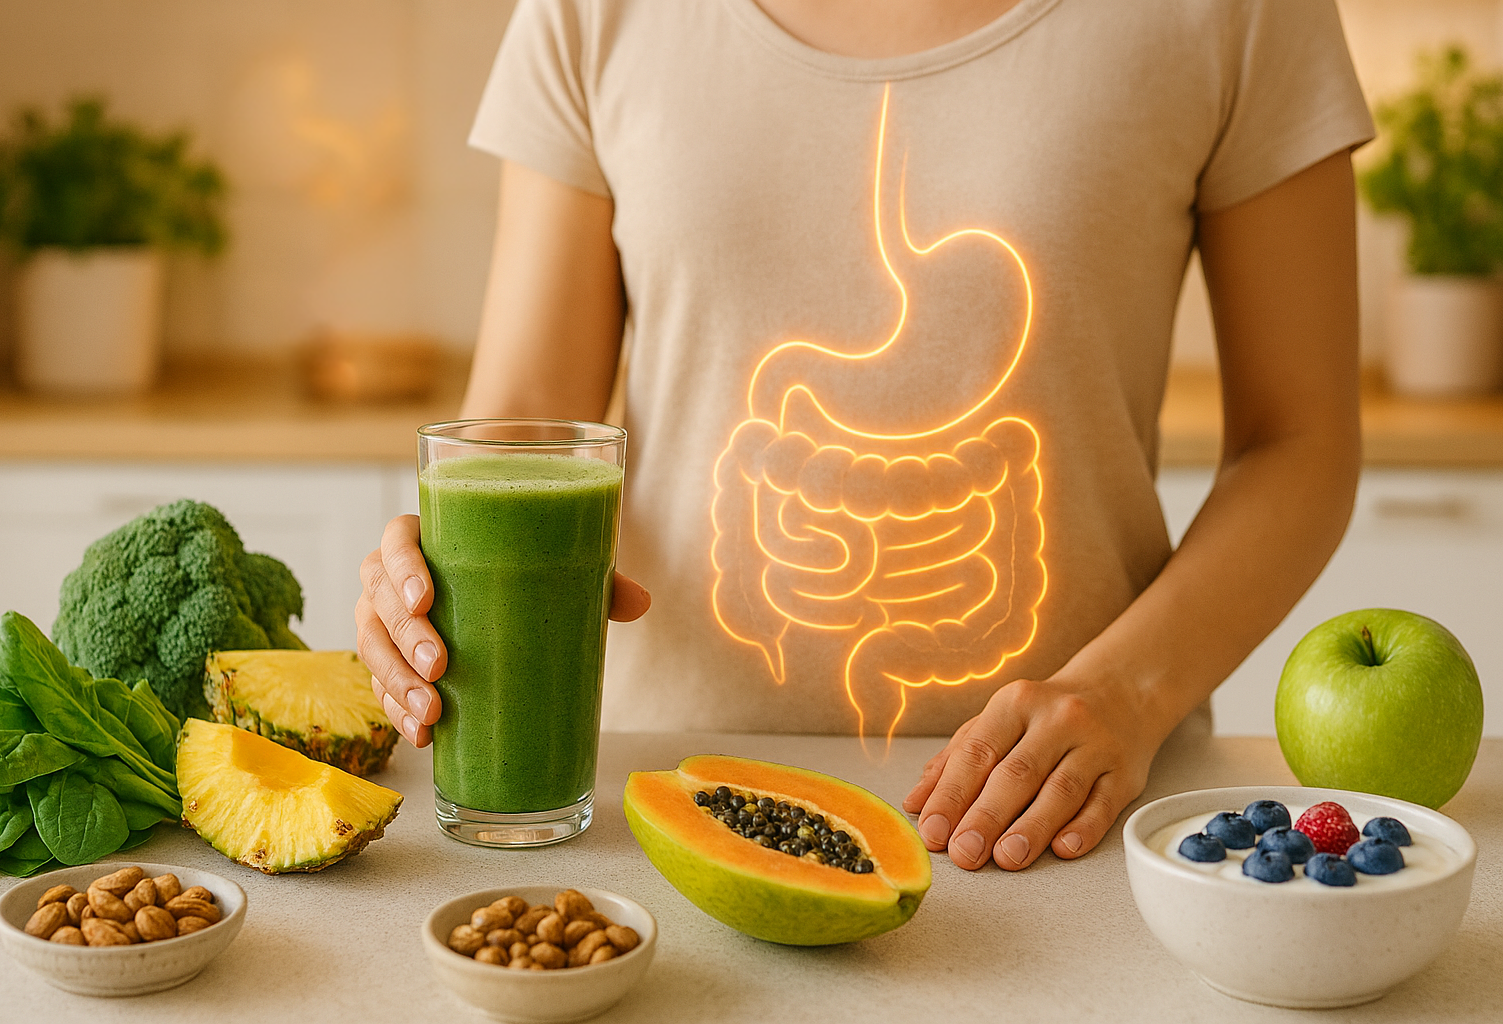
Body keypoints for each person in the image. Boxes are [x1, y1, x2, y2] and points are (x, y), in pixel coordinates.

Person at [356, 0, 1372, 873]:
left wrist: (1126, 692)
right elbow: (524, 430)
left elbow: (1300, 440)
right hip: (648, 811)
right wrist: (428, 576)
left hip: (1070, 824)